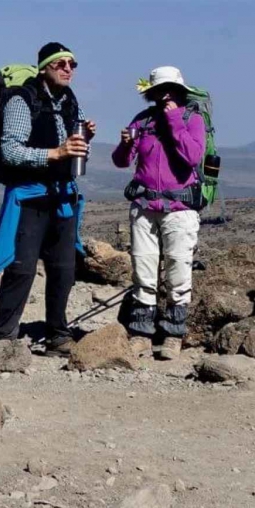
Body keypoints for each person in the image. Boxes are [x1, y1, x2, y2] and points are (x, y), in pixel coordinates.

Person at [0, 41, 95, 356]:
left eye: (72, 64)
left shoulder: (70, 101)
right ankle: (2, 337)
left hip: (63, 196)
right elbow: (11, 150)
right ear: (44, 66)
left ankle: (58, 335)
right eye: (61, 64)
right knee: (22, 268)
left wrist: (86, 138)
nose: (68, 69)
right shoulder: (22, 100)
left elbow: (75, 148)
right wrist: (56, 153)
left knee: (63, 268)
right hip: (30, 197)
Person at [112, 65, 206, 359]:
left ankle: (173, 335)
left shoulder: (193, 120)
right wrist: (125, 145)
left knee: (178, 270)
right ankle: (141, 332)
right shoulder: (143, 121)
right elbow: (121, 161)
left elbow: (192, 155)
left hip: (179, 208)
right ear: (151, 94)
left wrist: (174, 118)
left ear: (179, 91)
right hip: (144, 207)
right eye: (159, 90)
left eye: (170, 89)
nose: (165, 95)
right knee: (144, 270)